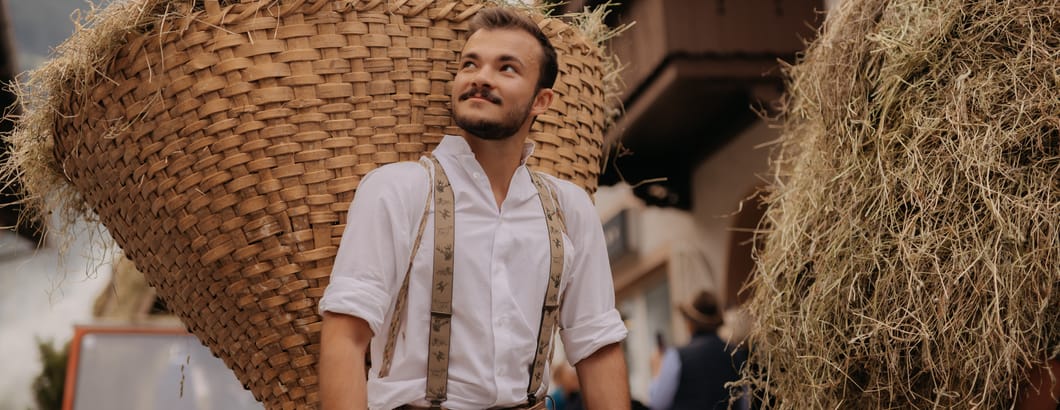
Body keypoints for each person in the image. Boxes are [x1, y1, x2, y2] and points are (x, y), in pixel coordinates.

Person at [317, 7, 630, 410]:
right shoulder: (397, 190)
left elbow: (597, 347)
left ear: (542, 100)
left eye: (506, 68)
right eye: (470, 64)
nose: (481, 77)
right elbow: (345, 335)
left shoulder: (569, 209)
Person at [649, 291, 744, 410]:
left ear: (691, 323)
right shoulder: (734, 353)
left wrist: (656, 370)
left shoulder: (676, 356)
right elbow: (744, 401)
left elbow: (658, 403)